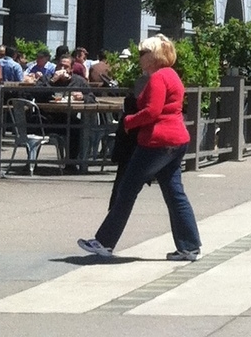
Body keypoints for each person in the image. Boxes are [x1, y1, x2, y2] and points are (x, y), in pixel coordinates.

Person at [79, 36, 201, 263]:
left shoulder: (156, 79)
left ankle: (105, 241)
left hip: (155, 142)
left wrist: (129, 122)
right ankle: (189, 246)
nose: (140, 57)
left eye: (143, 52)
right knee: (175, 194)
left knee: (127, 190)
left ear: (153, 56)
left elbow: (152, 112)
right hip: (176, 140)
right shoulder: (172, 75)